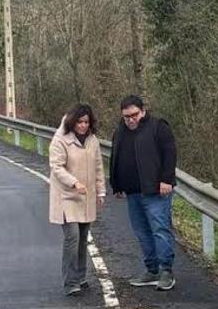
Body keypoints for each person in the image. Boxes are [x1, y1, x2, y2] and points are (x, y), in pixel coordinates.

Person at [109, 95, 178, 291]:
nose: (131, 120)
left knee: (160, 229)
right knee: (142, 232)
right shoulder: (120, 131)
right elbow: (115, 157)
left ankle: (166, 271)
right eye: (126, 116)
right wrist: (117, 184)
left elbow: (170, 153)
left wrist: (166, 179)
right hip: (132, 192)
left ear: (143, 111)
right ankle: (152, 270)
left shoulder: (158, 127)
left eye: (134, 115)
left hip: (155, 190)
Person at [49, 103, 105, 297]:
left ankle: (81, 276)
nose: (83, 125)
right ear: (72, 121)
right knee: (72, 237)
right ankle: (70, 281)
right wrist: (74, 183)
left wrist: (101, 192)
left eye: (86, 122)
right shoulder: (60, 139)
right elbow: (57, 167)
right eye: (79, 122)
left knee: (83, 238)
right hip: (66, 196)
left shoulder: (93, 140)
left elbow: (98, 167)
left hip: (85, 197)